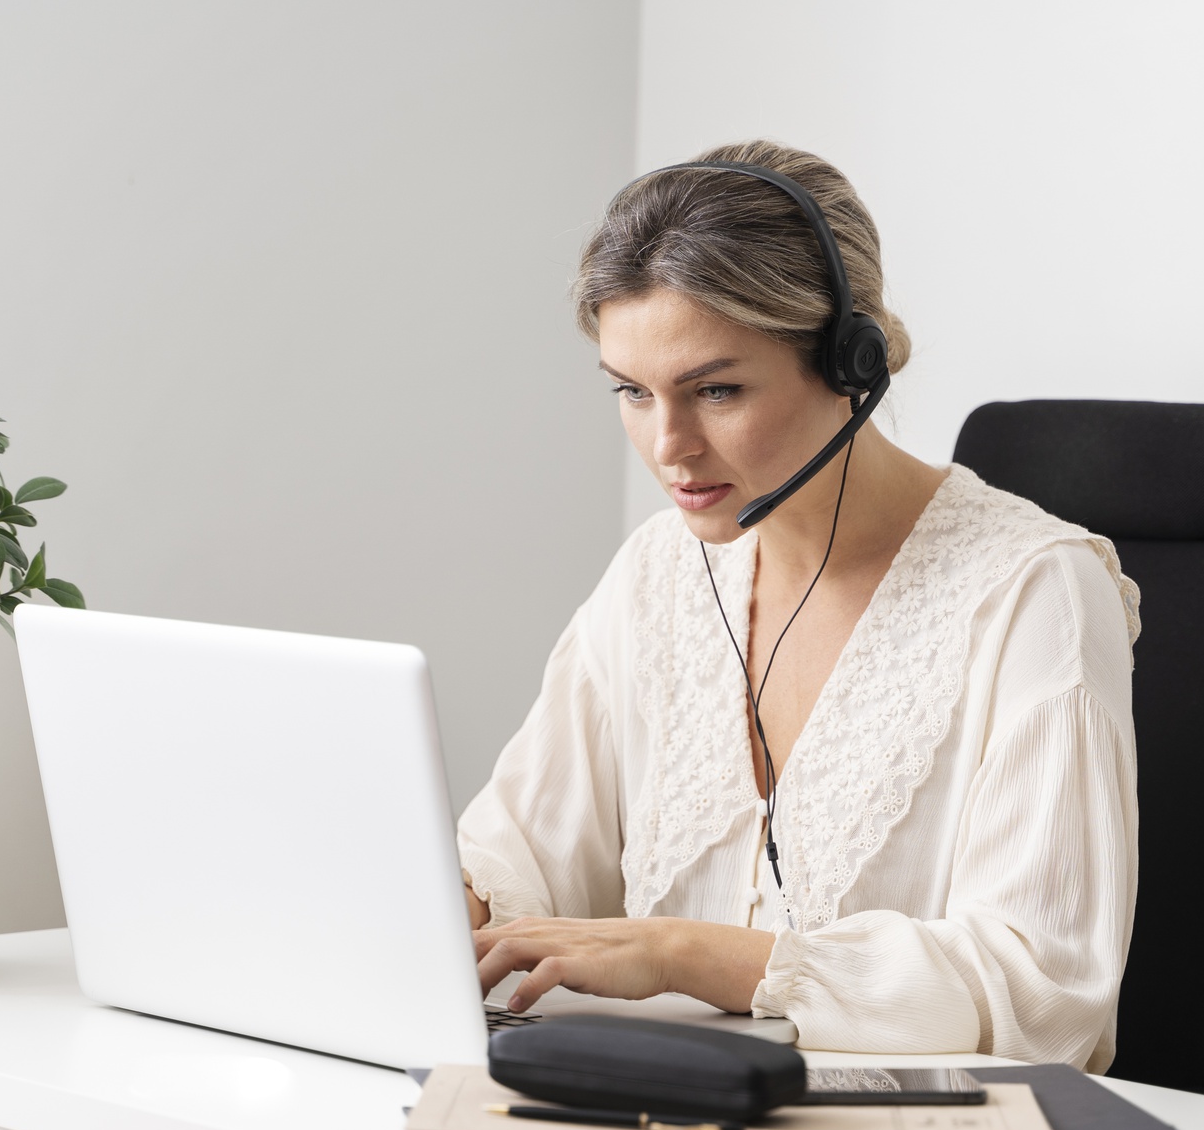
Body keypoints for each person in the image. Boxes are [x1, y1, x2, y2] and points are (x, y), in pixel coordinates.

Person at [459, 140, 1141, 1069]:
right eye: (633, 391)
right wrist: (449, 908)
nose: (669, 446)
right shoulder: (658, 572)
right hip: (665, 1115)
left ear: (851, 362)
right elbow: (522, 856)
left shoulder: (1034, 591)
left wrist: (685, 952)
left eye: (717, 390)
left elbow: (1045, 997)